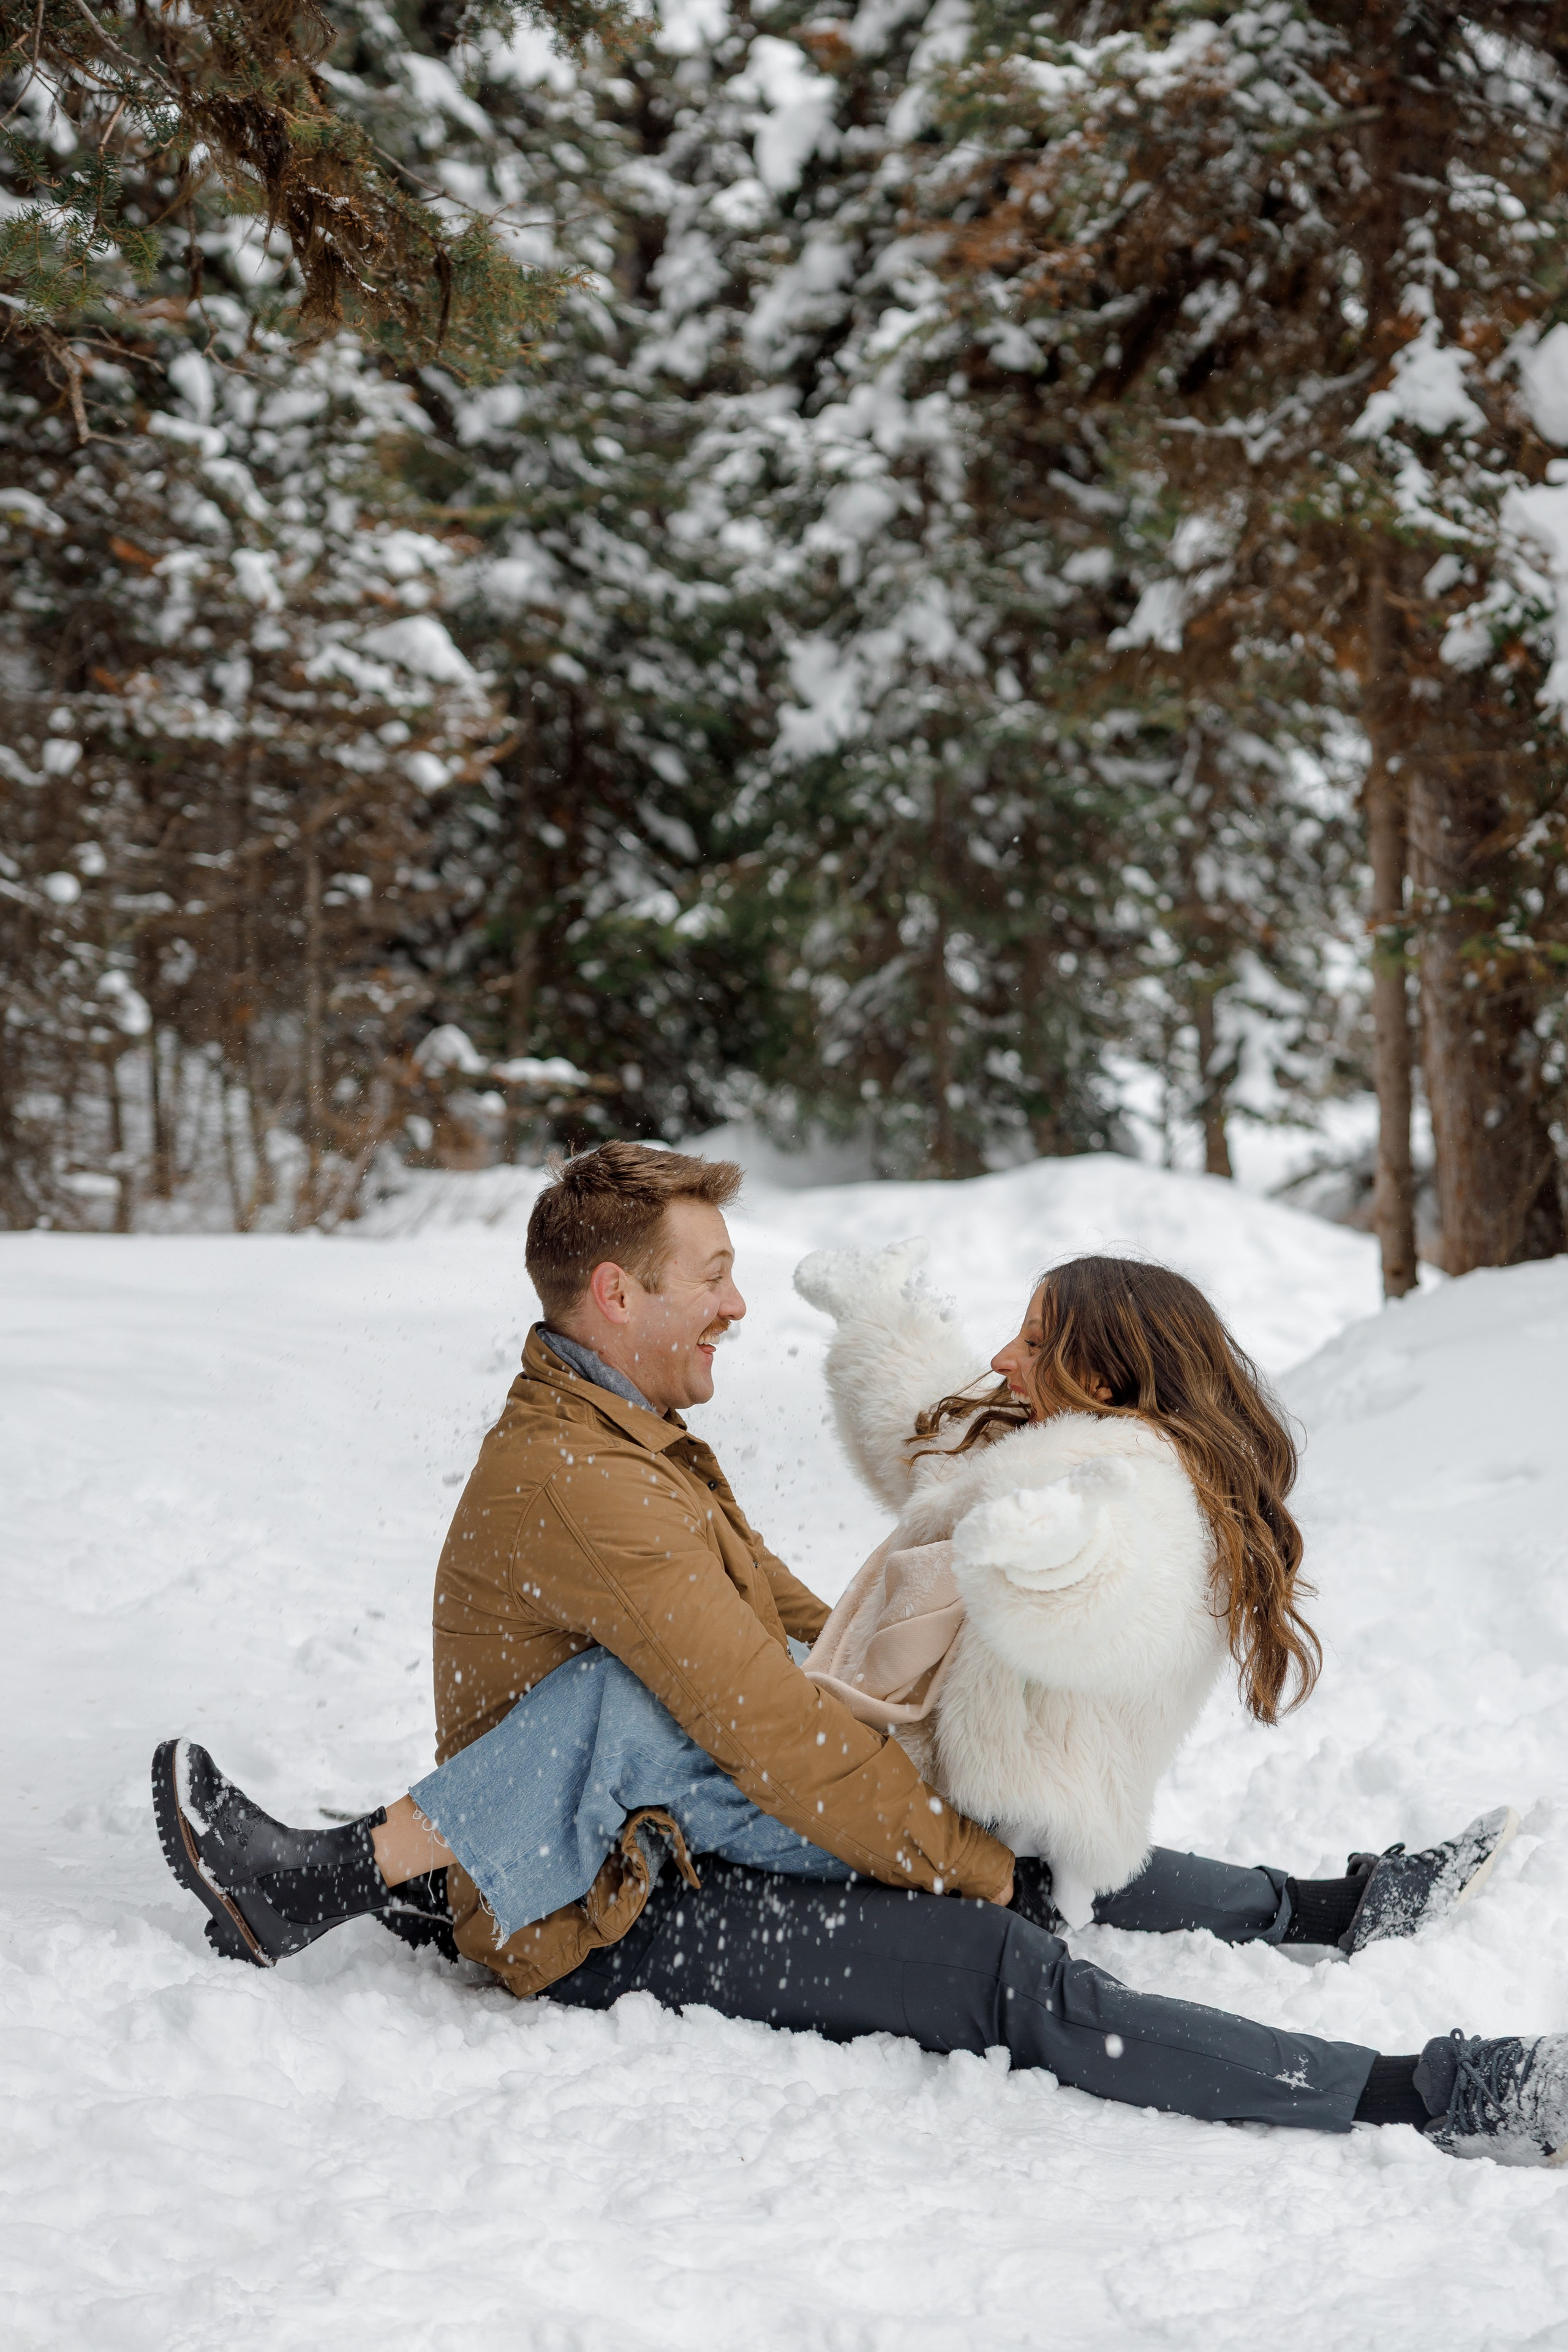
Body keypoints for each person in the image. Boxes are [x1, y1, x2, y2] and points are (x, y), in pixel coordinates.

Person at [153, 1142, 1568, 2166]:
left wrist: (929, 1680)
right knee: (997, 1941)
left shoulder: (622, 1432)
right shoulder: (589, 1476)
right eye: (714, 1275)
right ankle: (1426, 2093)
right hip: (605, 1896)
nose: (739, 1304)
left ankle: (1325, 1907)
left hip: (648, 1834)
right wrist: (963, 1861)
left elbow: (771, 1611)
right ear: (616, 1295)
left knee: (1010, 1829)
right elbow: (771, 1729)